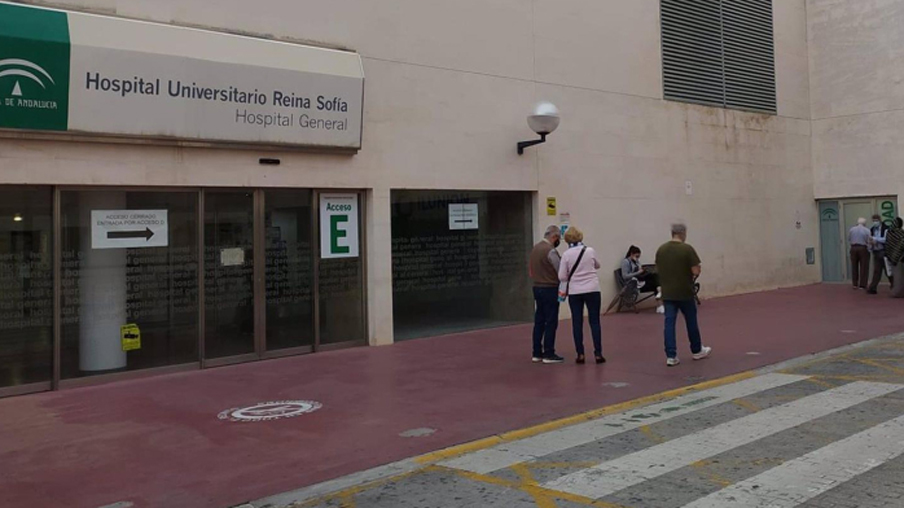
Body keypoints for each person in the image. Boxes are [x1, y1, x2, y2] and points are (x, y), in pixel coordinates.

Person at [655, 223, 712, 367]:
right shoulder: (687, 249)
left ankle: (671, 355)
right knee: (691, 321)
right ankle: (697, 349)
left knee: (669, 324)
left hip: (668, 293)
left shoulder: (661, 249)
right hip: (685, 291)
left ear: (672, 233)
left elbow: (658, 269)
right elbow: (695, 271)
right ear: (683, 233)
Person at [558, 227, 605, 364]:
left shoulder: (566, 255)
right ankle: (598, 353)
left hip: (575, 291)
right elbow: (597, 265)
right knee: (594, 321)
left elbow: (562, 276)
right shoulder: (589, 250)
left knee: (577, 322)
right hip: (593, 289)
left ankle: (580, 354)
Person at [529, 225, 565, 364]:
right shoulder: (550, 251)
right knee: (551, 321)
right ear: (554, 237)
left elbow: (531, 269)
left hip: (537, 287)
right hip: (550, 288)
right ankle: (549, 353)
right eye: (558, 238)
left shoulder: (535, 248)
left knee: (539, 320)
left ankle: (536, 352)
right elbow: (560, 270)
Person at [621, 245, 663, 313]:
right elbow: (625, 276)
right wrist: (638, 272)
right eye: (636, 256)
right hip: (632, 283)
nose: (637, 258)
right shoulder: (625, 262)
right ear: (631, 254)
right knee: (655, 279)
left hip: (640, 281)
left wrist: (643, 270)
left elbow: (640, 271)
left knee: (654, 277)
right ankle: (660, 302)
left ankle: (660, 304)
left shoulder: (637, 262)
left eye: (638, 257)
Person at [868, 214, 889, 294]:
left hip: (884, 252)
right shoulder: (872, 229)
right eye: (873, 220)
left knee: (888, 271)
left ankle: (895, 286)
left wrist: (875, 239)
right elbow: (870, 239)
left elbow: (885, 239)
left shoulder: (885, 228)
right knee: (877, 271)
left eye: (876, 220)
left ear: (880, 220)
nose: (874, 222)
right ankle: (873, 288)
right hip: (876, 252)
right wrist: (871, 245)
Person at [849, 218, 871, 290]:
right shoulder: (867, 230)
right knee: (864, 266)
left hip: (853, 248)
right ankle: (862, 285)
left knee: (854, 266)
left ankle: (855, 284)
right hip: (863, 248)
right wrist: (869, 249)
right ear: (864, 223)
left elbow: (849, 238)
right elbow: (869, 240)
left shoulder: (852, 229)